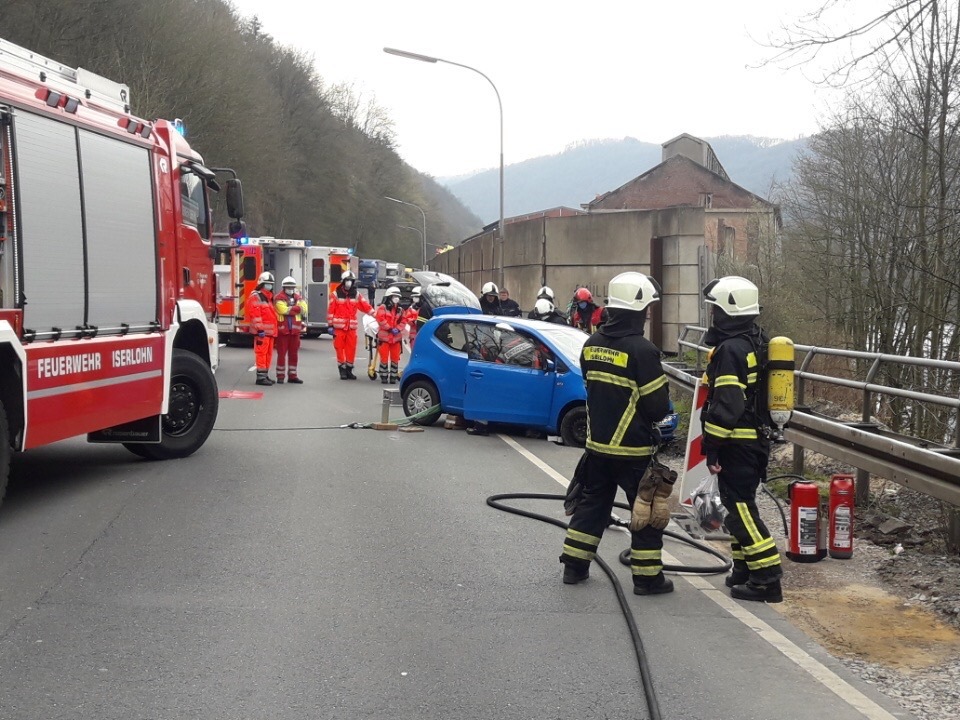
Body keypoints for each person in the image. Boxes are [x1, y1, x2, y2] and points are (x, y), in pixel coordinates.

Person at [559, 272, 674, 595]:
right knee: (646, 513)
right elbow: (657, 407)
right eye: (648, 308)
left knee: (591, 506)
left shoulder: (592, 344)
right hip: (634, 451)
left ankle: (574, 565)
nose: (649, 313)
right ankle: (648, 578)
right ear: (639, 310)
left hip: (597, 448)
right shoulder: (643, 351)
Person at [701, 276, 784, 603]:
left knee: (740, 511)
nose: (713, 316)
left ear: (728, 311)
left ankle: (767, 578)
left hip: (738, 442)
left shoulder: (732, 350)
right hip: (753, 441)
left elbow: (728, 405)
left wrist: (712, 446)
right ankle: (744, 569)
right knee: (738, 506)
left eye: (716, 309)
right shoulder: (754, 340)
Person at [327, 271, 374, 380]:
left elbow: (366, 306)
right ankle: (342, 370)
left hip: (351, 328)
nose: (349, 283)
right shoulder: (335, 295)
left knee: (351, 349)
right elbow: (330, 311)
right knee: (339, 349)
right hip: (339, 328)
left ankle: (349, 369)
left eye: (351, 281)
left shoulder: (356, 295)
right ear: (343, 282)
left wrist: (377, 316)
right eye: (347, 280)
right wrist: (330, 325)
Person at [274, 276, 308, 384]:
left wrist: (292, 309)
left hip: (295, 332)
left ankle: (293, 376)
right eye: (288, 286)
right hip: (283, 331)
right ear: (284, 287)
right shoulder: (278, 298)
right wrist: (296, 309)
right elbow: (283, 310)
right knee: (281, 355)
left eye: (292, 286)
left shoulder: (299, 297)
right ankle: (280, 376)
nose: (290, 288)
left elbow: (305, 309)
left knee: (294, 354)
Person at [247, 271, 278, 386]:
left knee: (268, 355)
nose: (269, 286)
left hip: (269, 333)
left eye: (270, 284)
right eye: (267, 284)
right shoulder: (256, 296)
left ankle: (265, 375)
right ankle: (260, 378)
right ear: (261, 284)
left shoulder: (268, 297)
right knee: (261, 354)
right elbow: (255, 314)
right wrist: (260, 329)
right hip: (262, 333)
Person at [375, 286, 405, 384]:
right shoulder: (382, 307)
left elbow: (404, 321)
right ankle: (383, 376)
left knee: (395, 358)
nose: (396, 298)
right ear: (389, 297)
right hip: (384, 338)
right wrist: (390, 328)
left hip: (396, 339)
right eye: (394, 296)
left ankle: (393, 377)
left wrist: (398, 329)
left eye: (398, 296)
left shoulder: (400, 310)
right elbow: (380, 319)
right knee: (384, 358)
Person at [403, 286, 422, 350]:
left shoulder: (425, 308)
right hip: (413, 335)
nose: (415, 298)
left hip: (422, 334)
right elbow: (407, 318)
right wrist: (414, 321)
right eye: (414, 297)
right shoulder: (411, 308)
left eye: (416, 297)